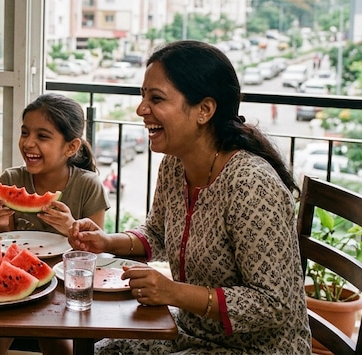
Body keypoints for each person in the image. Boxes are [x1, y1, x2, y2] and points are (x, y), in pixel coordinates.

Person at [70, 40, 312, 354]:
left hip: (256, 349)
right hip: (193, 332)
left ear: (204, 110)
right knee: (106, 351)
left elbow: (273, 304)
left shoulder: (251, 183)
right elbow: (156, 233)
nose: (141, 109)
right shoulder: (175, 162)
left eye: (156, 98)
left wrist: (174, 293)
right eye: (143, 96)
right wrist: (106, 242)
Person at [0, 93, 110, 355]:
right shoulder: (12, 178)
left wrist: (72, 229)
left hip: (64, 285)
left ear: (70, 147)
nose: (28, 143)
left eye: (42, 136)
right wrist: (3, 224)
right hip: (16, 281)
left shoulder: (87, 185)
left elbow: (96, 251)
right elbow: (2, 246)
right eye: (25, 132)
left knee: (58, 344)